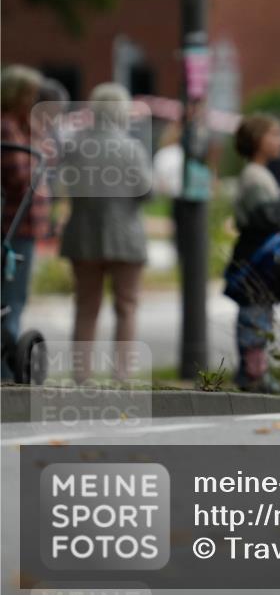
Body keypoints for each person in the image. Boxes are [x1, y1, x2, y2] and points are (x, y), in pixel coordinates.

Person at [58, 83, 152, 382]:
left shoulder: (74, 146)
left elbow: (66, 186)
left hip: (82, 235)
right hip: (126, 235)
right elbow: (146, 192)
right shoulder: (131, 148)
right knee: (126, 306)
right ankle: (121, 377)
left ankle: (81, 376)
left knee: (85, 307)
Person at [224, 113, 280, 392]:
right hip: (256, 257)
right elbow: (267, 219)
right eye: (275, 135)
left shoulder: (258, 174)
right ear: (258, 140)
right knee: (255, 312)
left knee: (259, 311)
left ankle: (254, 371)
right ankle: (253, 375)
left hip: (255, 254)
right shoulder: (255, 176)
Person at [1, 65, 50, 378]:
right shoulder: (6, 128)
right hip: (14, 227)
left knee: (13, 298)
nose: (36, 100)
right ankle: (6, 374)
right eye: (31, 94)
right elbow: (20, 177)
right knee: (12, 299)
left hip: (23, 227)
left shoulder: (18, 125)